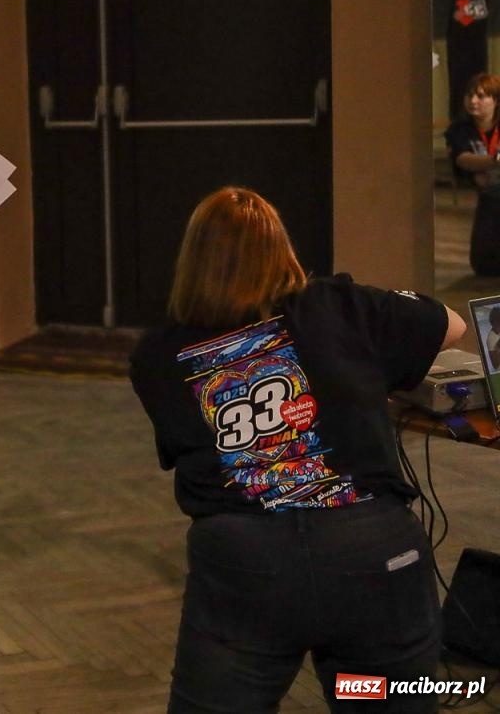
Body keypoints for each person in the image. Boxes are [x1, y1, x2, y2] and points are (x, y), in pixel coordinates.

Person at [129, 187, 465, 713]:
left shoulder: (155, 355)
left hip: (245, 566)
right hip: (372, 555)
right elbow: (456, 324)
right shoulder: (342, 305)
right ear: (281, 250)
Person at [444, 72, 500, 276]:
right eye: (469, 95)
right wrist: (495, 161)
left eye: (481, 96)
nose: (473, 101)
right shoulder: (459, 129)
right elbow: (463, 160)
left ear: (496, 100)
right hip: (486, 190)